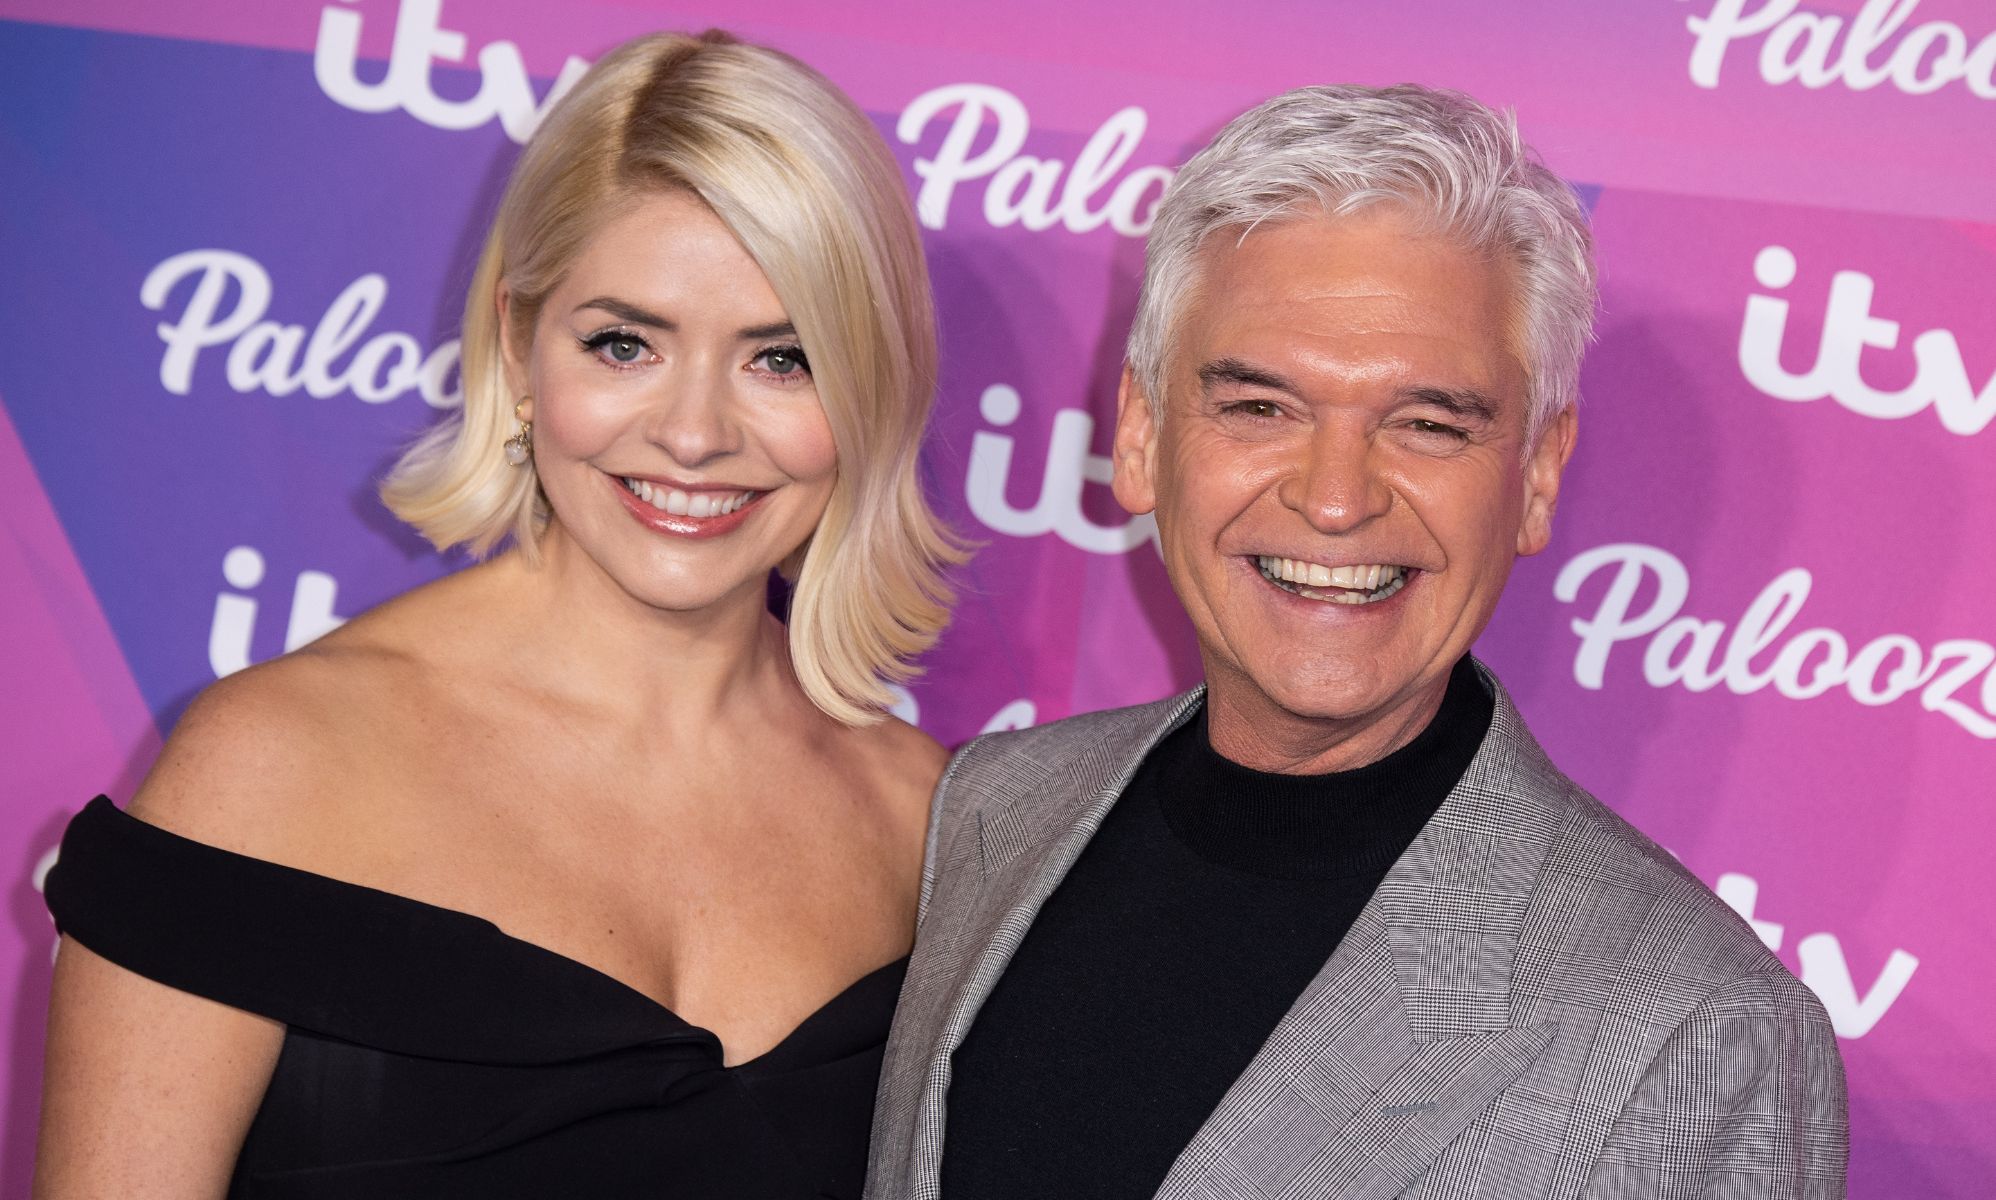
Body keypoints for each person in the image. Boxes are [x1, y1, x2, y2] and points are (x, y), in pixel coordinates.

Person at [867, 85, 1847, 1200]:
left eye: (1428, 425)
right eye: (1259, 408)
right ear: (1140, 434)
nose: (1335, 501)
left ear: (1533, 474)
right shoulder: (994, 807)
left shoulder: (1690, 1033)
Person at [37, 30, 962, 1200]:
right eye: (623, 343)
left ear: (875, 387)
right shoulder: (273, 770)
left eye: (781, 360)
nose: (692, 433)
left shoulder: (931, 826)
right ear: (521, 346)